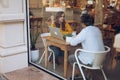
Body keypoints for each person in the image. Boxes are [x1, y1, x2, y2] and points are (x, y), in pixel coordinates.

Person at [68, 14, 105, 79]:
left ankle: (84, 76)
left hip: (91, 61)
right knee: (79, 54)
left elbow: (73, 43)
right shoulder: (97, 29)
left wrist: (72, 37)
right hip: (100, 59)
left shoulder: (85, 31)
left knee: (71, 58)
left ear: (83, 23)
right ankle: (84, 74)